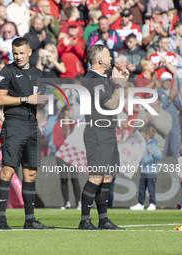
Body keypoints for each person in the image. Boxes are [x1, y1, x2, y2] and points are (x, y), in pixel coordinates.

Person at [0, 37, 50, 230]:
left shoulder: (38, 73)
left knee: (31, 173)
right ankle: (2, 221)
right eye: (15, 53)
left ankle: (30, 221)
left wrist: (42, 100)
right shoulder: (7, 71)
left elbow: (41, 100)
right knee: (8, 171)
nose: (18, 57)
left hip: (32, 125)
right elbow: (0, 98)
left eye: (21, 53)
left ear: (29, 52)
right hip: (13, 124)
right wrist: (27, 99)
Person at [79, 45, 129, 230]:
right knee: (96, 176)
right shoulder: (92, 80)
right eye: (108, 55)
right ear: (100, 60)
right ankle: (84, 220)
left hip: (107, 132)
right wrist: (118, 85)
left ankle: (103, 219)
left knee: (107, 176)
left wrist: (119, 81)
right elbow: (113, 104)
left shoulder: (101, 78)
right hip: (97, 133)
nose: (111, 58)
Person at [52, 105, 81, 210]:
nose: (73, 113)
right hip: (61, 156)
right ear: (66, 112)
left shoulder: (75, 124)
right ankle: (66, 203)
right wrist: (68, 140)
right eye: (72, 111)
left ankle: (78, 202)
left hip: (73, 155)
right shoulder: (58, 125)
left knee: (75, 179)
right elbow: (56, 142)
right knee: (64, 179)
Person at [130, 127, 162, 211]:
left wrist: (153, 153)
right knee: (142, 188)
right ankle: (140, 203)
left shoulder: (154, 144)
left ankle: (152, 203)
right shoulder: (144, 144)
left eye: (144, 134)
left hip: (151, 170)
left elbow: (159, 156)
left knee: (151, 188)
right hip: (144, 169)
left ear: (146, 135)